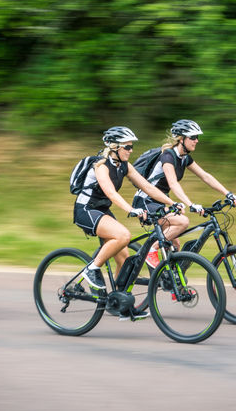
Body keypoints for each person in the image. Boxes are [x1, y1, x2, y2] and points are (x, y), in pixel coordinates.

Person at [74, 126, 179, 320]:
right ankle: (91, 269)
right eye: (127, 147)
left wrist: (171, 203)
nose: (131, 151)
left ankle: (121, 304)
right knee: (123, 235)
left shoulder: (124, 166)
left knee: (123, 256)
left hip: (102, 211)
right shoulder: (101, 166)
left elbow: (147, 186)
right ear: (114, 147)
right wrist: (131, 210)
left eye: (131, 147)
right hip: (86, 210)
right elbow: (111, 193)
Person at [132, 119, 236, 267]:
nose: (196, 141)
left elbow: (205, 176)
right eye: (193, 137)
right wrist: (191, 204)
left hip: (160, 201)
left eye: (197, 137)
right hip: (146, 201)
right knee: (182, 222)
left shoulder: (184, 158)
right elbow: (173, 183)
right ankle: (151, 250)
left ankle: (169, 280)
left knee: (175, 244)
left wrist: (228, 193)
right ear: (181, 139)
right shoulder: (168, 156)